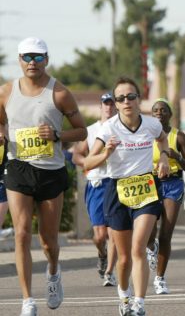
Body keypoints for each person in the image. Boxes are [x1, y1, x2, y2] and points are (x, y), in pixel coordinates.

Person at [1, 37, 88, 316]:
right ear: (19, 60)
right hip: (18, 167)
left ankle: (53, 272)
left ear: (47, 60)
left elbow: (82, 131)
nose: (32, 62)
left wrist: (58, 134)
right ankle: (27, 299)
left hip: (51, 170)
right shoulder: (6, 91)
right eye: (27, 57)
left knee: (48, 240)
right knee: (22, 234)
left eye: (38, 57)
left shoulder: (59, 93)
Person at [83, 77, 170, 316]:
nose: (126, 101)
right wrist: (107, 153)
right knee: (123, 258)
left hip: (145, 189)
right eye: (120, 98)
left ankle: (139, 303)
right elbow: (88, 162)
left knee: (138, 248)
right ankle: (124, 295)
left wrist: (163, 157)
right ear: (116, 103)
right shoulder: (108, 127)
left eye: (131, 96)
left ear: (139, 99)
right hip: (117, 190)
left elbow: (162, 139)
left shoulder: (151, 124)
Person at [145, 98, 185, 295]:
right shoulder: (145, 135)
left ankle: (160, 278)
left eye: (163, 110)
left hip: (173, 184)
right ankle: (151, 247)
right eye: (155, 110)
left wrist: (177, 156)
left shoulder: (178, 136)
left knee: (166, 233)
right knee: (149, 232)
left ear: (169, 114)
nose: (159, 112)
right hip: (150, 183)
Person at [72, 92, 119, 287]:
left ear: (116, 107)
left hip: (115, 182)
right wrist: (86, 162)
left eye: (111, 104)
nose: (108, 107)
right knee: (99, 236)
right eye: (105, 104)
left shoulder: (121, 129)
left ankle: (109, 272)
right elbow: (77, 154)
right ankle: (102, 254)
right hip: (97, 184)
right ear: (100, 107)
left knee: (114, 232)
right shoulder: (91, 131)